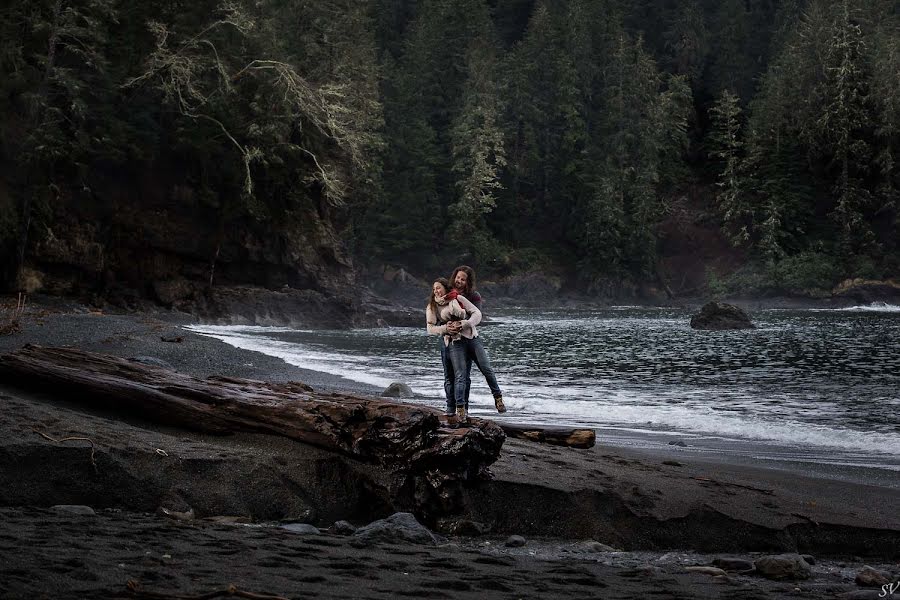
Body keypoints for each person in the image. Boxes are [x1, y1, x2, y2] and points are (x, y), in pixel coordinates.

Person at [447, 265, 506, 414]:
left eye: (463, 279)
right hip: (456, 341)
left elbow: (477, 315)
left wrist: (463, 322)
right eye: (458, 277)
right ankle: (463, 410)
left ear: (468, 282)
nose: (459, 280)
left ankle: (498, 397)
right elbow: (440, 315)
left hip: (472, 338)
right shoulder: (447, 294)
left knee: (486, 368)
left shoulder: (474, 295)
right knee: (462, 377)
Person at [426, 278, 482, 426]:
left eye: (438, 288)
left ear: (445, 288)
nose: (436, 291)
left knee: (464, 377)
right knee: (449, 376)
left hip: (464, 340)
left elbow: (472, 313)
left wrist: (464, 324)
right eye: (434, 289)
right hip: (445, 341)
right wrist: (445, 328)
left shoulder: (456, 299)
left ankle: (463, 409)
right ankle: (450, 408)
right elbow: (430, 328)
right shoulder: (432, 305)